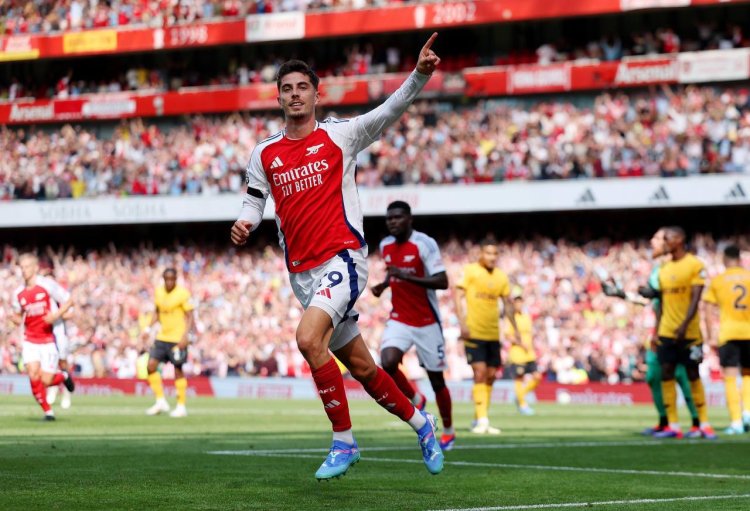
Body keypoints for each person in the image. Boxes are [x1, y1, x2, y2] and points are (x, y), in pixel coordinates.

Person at [230, 33, 444, 480]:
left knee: (309, 340)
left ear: (315, 93)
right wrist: (247, 221)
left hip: (343, 260)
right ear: (278, 97)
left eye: (301, 87)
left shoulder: (340, 135)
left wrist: (418, 76)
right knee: (365, 368)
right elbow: (254, 198)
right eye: (286, 88)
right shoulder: (264, 153)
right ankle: (423, 426)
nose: (294, 95)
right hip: (302, 274)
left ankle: (344, 441)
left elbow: (387, 113)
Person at [371, 200, 455, 451]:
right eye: (389, 219)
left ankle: (449, 431)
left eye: (397, 218)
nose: (392, 222)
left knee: (437, 380)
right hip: (399, 317)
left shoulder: (424, 244)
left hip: (427, 321)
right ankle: (416, 398)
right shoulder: (386, 245)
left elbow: (442, 281)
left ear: (410, 219)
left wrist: (407, 276)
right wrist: (384, 285)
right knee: (386, 362)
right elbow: (393, 272)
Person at [601, 228, 699, 435]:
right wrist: (621, 294)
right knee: (654, 375)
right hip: (660, 329)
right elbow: (651, 299)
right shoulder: (658, 269)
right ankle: (665, 421)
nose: (652, 242)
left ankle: (697, 422)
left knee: (681, 374)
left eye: (656, 238)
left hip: (674, 330)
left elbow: (669, 299)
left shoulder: (679, 266)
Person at [653, 227, 716, 439]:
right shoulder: (663, 267)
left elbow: (695, 298)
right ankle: (673, 425)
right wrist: (657, 330)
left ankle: (703, 424)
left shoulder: (695, 264)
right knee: (666, 374)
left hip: (689, 333)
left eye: (667, 239)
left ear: (679, 239)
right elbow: (660, 302)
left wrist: (684, 324)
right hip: (666, 332)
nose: (665, 243)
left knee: (693, 374)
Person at [454, 239, 521, 434]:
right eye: (488, 253)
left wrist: (515, 329)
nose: (492, 257)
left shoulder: (501, 277)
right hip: (474, 331)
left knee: (491, 376)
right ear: (481, 254)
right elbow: (457, 295)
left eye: (495, 254)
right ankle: (483, 420)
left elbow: (508, 304)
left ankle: (479, 417)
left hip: (493, 334)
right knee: (480, 373)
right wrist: (462, 323)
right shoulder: (471, 271)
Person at [10, 253, 75, 421]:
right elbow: (17, 315)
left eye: (26, 267)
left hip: (48, 339)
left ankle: (64, 376)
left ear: (35, 268)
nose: (23, 270)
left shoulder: (47, 285)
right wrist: (15, 319)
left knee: (45, 380)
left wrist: (56, 315)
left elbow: (69, 300)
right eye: (21, 267)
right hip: (30, 339)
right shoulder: (19, 293)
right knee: (33, 375)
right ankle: (48, 412)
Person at [702, 244, 750, 435]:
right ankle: (748, 412)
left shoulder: (719, 280)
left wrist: (709, 334)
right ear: (739, 258)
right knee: (748, 374)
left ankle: (736, 422)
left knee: (730, 377)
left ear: (725, 259)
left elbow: (707, 308)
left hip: (729, 333)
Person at [144, 268, 195, 418]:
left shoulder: (183, 294)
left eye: (172, 279)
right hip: (162, 336)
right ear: (164, 279)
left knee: (178, 370)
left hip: (177, 338)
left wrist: (186, 336)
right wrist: (147, 328)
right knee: (151, 366)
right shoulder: (159, 292)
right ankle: (160, 401)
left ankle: (181, 405)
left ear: (176, 279)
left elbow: (190, 315)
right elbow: (157, 312)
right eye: (167, 279)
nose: (170, 282)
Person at [39, 257, 74, 410]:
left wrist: (56, 315)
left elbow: (70, 313)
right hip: (45, 333)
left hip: (59, 332)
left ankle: (66, 392)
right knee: (48, 363)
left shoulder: (59, 299)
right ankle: (52, 389)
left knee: (62, 362)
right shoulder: (39, 297)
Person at [503, 293, 541, 416]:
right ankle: (523, 405)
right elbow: (508, 336)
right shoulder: (510, 318)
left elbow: (529, 334)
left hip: (529, 353)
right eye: (517, 302)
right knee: (519, 378)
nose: (519, 304)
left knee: (537, 376)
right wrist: (520, 344)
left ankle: (520, 396)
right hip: (517, 353)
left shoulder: (526, 317)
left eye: (520, 302)